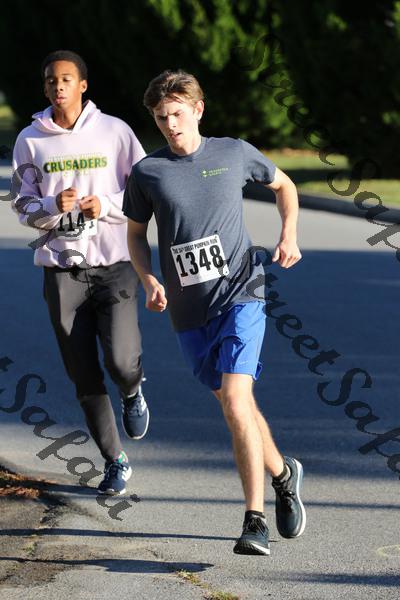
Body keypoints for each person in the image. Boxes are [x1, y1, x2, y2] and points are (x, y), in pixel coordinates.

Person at [123, 70, 306, 555]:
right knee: (233, 404)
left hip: (243, 292)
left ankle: (254, 520)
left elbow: (285, 186)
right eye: (160, 117)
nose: (170, 125)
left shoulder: (233, 153)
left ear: (198, 110)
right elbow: (135, 235)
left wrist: (288, 235)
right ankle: (283, 474)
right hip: (188, 311)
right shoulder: (147, 172)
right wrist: (148, 278)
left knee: (236, 399)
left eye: (177, 114)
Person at [11, 50, 149, 496]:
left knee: (121, 361)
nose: (58, 86)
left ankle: (132, 390)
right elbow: (22, 206)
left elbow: (144, 190)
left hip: (115, 264)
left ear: (83, 85)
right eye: (51, 80)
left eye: (66, 79)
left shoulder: (115, 132)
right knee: (83, 372)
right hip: (62, 270)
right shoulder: (31, 140)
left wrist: (104, 205)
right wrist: (52, 206)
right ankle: (115, 460)